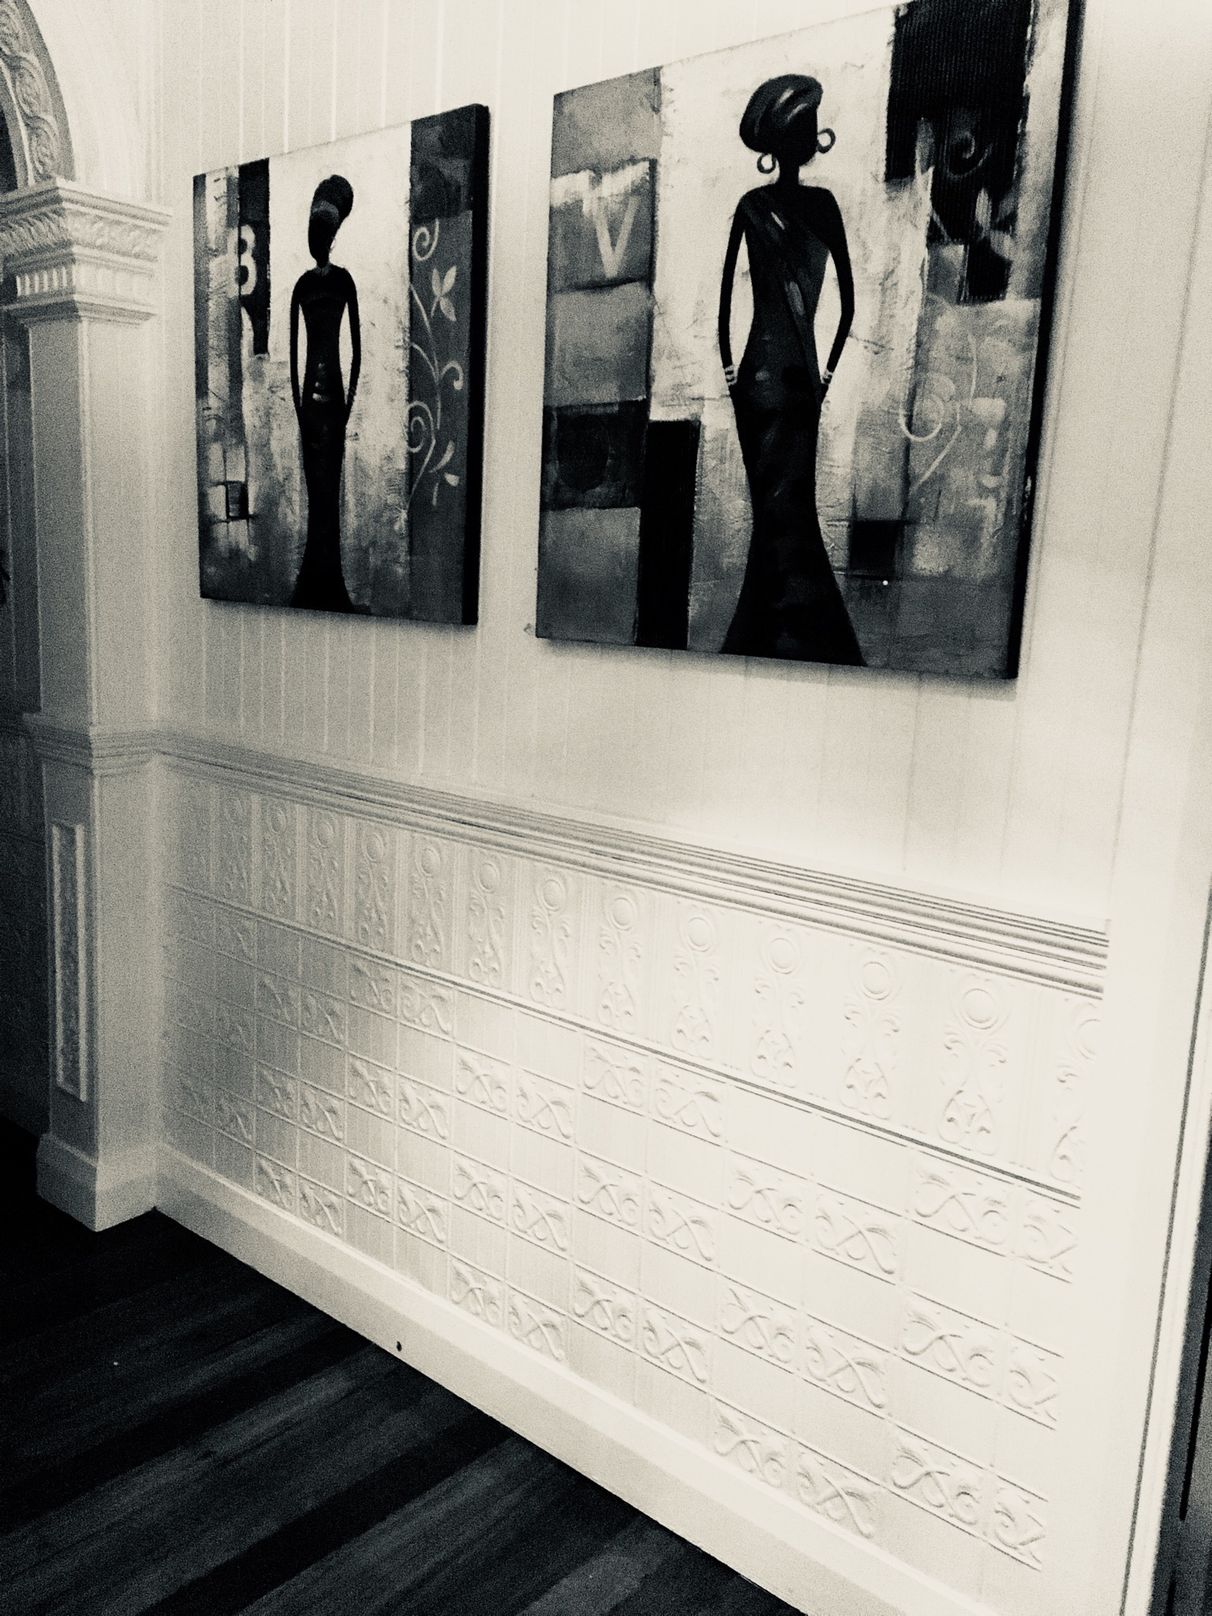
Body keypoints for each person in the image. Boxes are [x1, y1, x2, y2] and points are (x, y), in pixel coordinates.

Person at [718, 74, 863, 665]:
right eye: (805, 125)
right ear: (790, 139)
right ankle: (783, 628)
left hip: (765, 378)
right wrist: (824, 373)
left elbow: (846, 304)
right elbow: (846, 307)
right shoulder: (778, 207)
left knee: (782, 505)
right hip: (789, 378)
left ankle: (773, 631)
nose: (812, 134)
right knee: (784, 505)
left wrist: (731, 369)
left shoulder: (769, 206)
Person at [289, 174, 360, 611]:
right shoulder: (304, 286)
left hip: (330, 403)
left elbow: (357, 352)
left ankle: (329, 582)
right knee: (318, 491)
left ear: (330, 238)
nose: (319, 241)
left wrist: (347, 406)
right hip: (317, 406)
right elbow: (294, 355)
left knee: (328, 490)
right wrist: (301, 408)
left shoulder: (342, 282)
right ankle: (314, 580)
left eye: (323, 234)